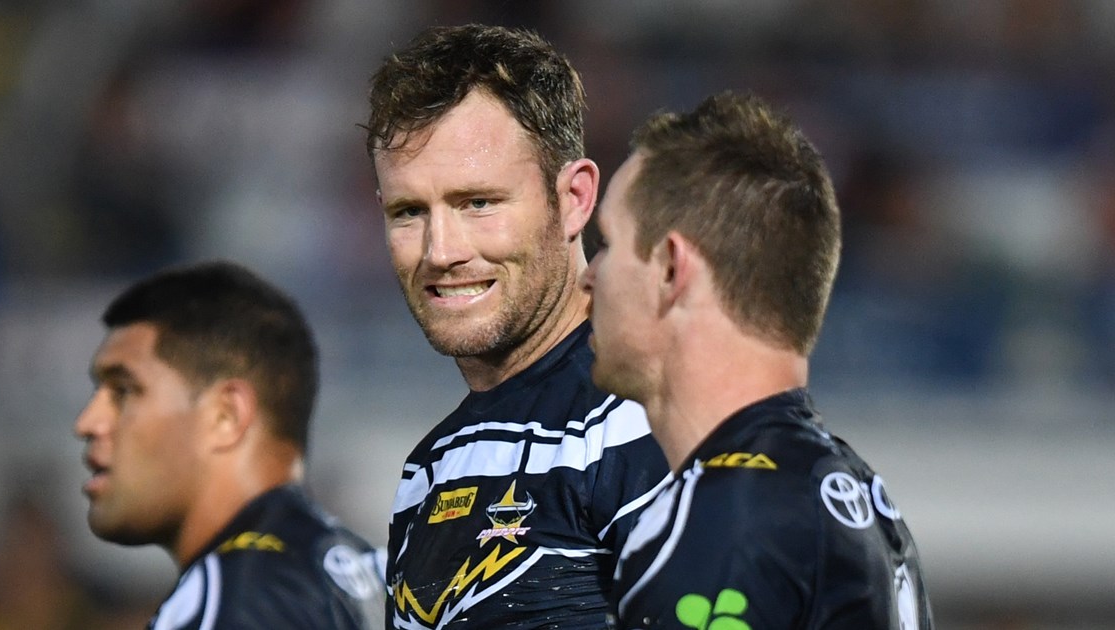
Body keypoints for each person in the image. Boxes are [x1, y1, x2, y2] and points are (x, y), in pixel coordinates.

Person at [584, 92, 932, 629]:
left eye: (607, 242)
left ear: (671, 269)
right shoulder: (854, 494)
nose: (589, 275)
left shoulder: (723, 520)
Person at [365, 24, 670, 629]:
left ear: (575, 198)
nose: (441, 251)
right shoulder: (429, 472)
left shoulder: (646, 420)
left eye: (478, 203)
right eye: (409, 211)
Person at [74, 261, 383, 629]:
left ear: (226, 416)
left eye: (123, 391)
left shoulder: (233, 595)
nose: (88, 422)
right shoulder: (370, 576)